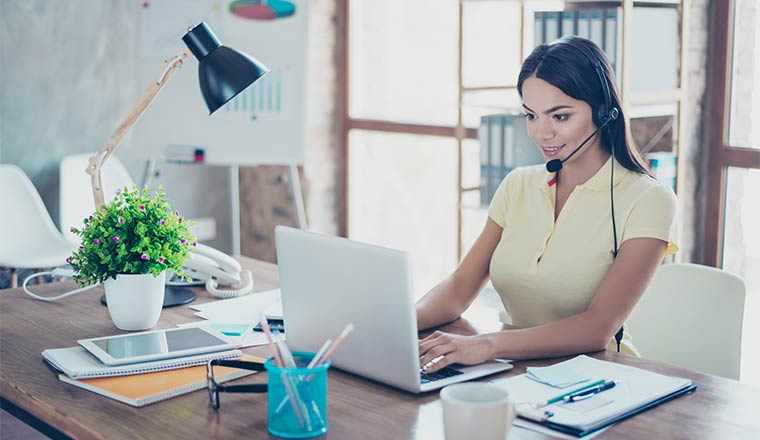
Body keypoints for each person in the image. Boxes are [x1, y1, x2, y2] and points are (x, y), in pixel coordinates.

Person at [416, 36, 677, 373]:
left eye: (560, 116)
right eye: (531, 115)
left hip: (598, 379)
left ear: (603, 112)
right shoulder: (518, 185)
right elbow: (458, 290)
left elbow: (597, 328)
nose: (541, 133)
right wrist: (396, 323)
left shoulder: (648, 200)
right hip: (514, 371)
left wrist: (487, 345)